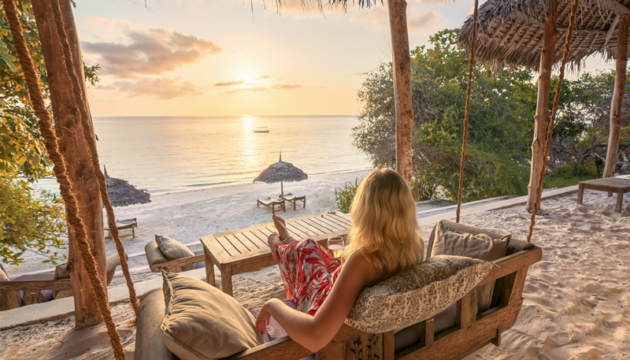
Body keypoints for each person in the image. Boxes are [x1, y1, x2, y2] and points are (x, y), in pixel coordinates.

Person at [255, 169, 424, 352]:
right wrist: (344, 270)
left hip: (320, 298)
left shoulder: (363, 260)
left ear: (366, 211)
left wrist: (271, 305)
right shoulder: (415, 245)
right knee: (311, 249)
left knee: (307, 252)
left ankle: (280, 247)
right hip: (340, 283)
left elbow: (315, 336)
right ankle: (286, 243)